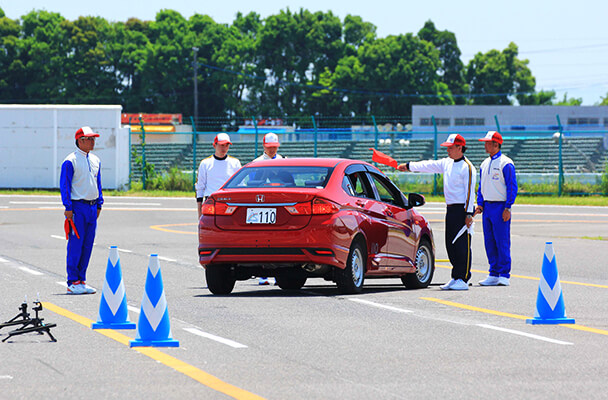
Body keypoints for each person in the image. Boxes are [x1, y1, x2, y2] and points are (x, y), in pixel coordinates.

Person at [397, 133, 476, 291]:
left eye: (450, 148)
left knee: (462, 244)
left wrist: (468, 214)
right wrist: (409, 166)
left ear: (460, 148)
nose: (448, 150)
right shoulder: (447, 163)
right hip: (451, 208)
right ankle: (455, 277)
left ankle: (463, 278)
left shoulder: (467, 167)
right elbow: (429, 165)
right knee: (450, 243)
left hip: (462, 209)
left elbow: (470, 191)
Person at [60, 126, 104, 295]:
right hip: (78, 207)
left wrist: (100, 203)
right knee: (76, 245)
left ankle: (82, 279)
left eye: (93, 139)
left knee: (88, 245)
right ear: (80, 140)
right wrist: (68, 207)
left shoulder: (96, 160)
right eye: (89, 139)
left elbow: (98, 184)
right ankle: (72, 281)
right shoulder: (70, 161)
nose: (93, 142)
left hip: (92, 207)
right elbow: (65, 185)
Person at [474, 131, 518, 286]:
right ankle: (493, 273)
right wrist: (480, 203)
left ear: (496, 144)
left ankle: (504, 274)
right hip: (487, 207)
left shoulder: (506, 163)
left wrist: (508, 207)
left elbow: (512, 186)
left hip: (500, 207)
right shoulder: (484, 163)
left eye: (487, 142)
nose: (484, 145)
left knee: (502, 240)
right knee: (489, 241)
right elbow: (481, 186)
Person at [253, 132, 282, 285]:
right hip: (262, 206)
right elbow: (252, 185)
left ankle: (279, 274)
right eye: (269, 147)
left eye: (274, 147)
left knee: (279, 240)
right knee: (262, 240)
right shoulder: (257, 163)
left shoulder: (284, 161)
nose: (272, 150)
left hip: (279, 206)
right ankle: (262, 274)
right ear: (264, 146)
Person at [196, 133, 241, 220]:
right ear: (214, 145)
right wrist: (199, 211)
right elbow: (200, 187)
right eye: (221, 145)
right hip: (211, 201)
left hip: (229, 201)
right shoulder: (205, 163)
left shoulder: (235, 163)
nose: (223, 148)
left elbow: (239, 186)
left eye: (226, 145)